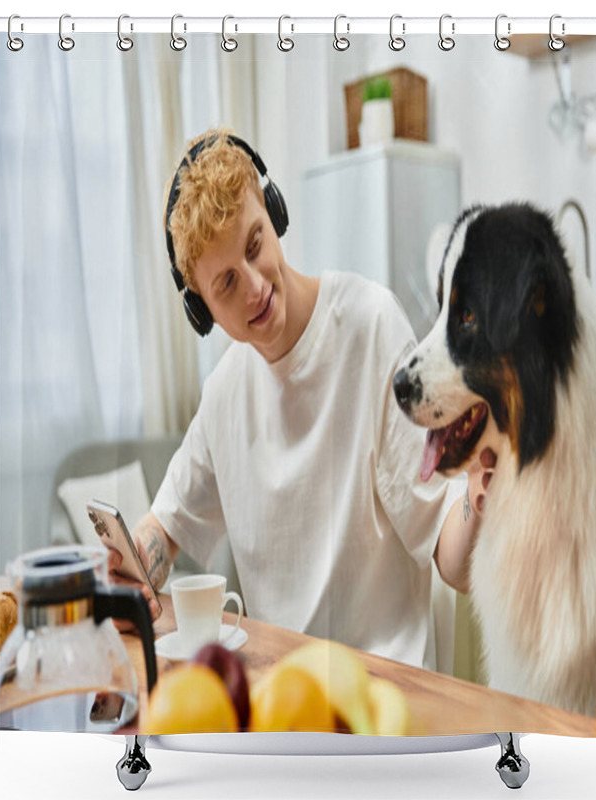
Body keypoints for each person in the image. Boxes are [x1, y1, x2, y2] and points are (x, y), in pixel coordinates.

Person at [108, 128, 493, 670]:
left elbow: (451, 561)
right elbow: (164, 529)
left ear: (273, 213)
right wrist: (133, 567)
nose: (254, 287)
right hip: (282, 704)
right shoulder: (224, 393)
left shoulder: (370, 326)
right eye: (225, 284)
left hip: (381, 702)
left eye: (254, 244)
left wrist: (480, 497)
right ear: (203, 314)